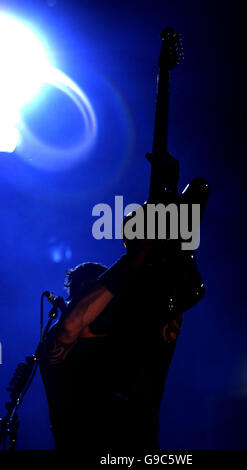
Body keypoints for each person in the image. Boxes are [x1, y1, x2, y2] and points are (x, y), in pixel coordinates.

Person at [39, 154, 187, 452]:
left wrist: (165, 196)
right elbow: (72, 325)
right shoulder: (57, 344)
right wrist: (133, 258)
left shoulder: (127, 336)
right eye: (89, 293)